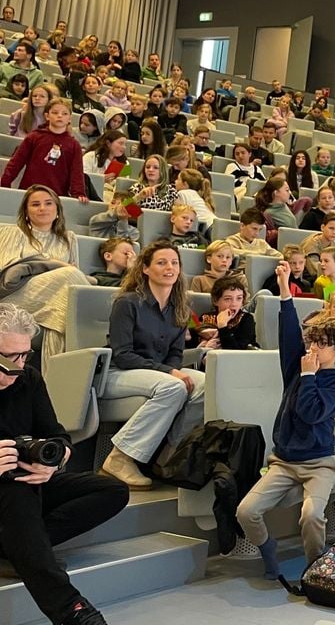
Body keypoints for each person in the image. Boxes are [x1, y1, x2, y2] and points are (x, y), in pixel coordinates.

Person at [0, 303, 129, 625]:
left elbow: (58, 438)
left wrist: (52, 463)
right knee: (17, 490)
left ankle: (19, 549)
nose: (16, 367)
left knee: (112, 490)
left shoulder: (28, 378)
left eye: (24, 355)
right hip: (11, 492)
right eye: (7, 357)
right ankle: (72, 610)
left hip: (26, 482)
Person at [236, 261, 335, 578]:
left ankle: (317, 566)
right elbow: (289, 333)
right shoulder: (298, 367)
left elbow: (313, 412)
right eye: (313, 341)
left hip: (319, 462)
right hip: (284, 462)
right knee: (246, 512)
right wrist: (285, 289)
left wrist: (307, 376)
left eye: (323, 344)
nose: (314, 347)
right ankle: (267, 548)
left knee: (312, 514)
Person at [99, 242, 207, 490]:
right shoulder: (127, 303)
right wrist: (169, 372)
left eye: (174, 263)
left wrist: (172, 370)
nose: (169, 267)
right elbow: (123, 354)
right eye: (161, 262)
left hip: (156, 374)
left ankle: (169, 455)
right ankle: (120, 458)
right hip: (118, 373)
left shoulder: (180, 306)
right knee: (174, 387)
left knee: (205, 384)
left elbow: (175, 354)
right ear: (145, 269)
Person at [0, 186, 93, 370]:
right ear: (26, 212)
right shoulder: (12, 232)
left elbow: (75, 281)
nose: (42, 208)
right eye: (35, 204)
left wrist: (58, 269)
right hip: (15, 298)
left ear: (58, 209)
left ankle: (54, 380)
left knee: (59, 312)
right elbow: (7, 274)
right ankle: (67, 374)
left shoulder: (69, 238)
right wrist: (58, 266)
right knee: (68, 277)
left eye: (48, 203)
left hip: (53, 300)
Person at [1, 97, 87, 200]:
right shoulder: (34, 137)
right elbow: (16, 163)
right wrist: (4, 183)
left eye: (64, 114)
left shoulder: (74, 145)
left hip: (56, 196)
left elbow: (76, 172)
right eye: (55, 112)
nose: (59, 116)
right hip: (29, 192)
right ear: (47, 116)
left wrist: (79, 193)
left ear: (69, 118)